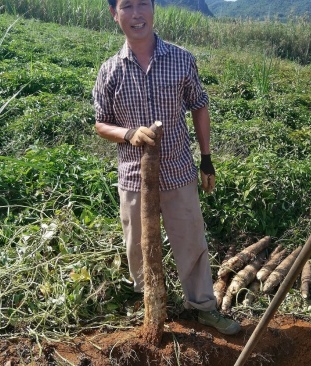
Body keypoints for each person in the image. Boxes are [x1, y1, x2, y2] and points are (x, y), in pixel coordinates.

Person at [92, 0, 240, 335]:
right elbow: (101, 123)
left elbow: (199, 105)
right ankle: (152, 303)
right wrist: (129, 133)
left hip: (177, 170)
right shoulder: (110, 70)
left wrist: (206, 157)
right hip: (133, 176)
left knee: (191, 241)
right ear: (115, 15)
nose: (136, 14)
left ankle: (202, 307)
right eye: (126, 6)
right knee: (137, 247)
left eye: (143, 3)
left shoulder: (180, 59)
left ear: (154, 9)